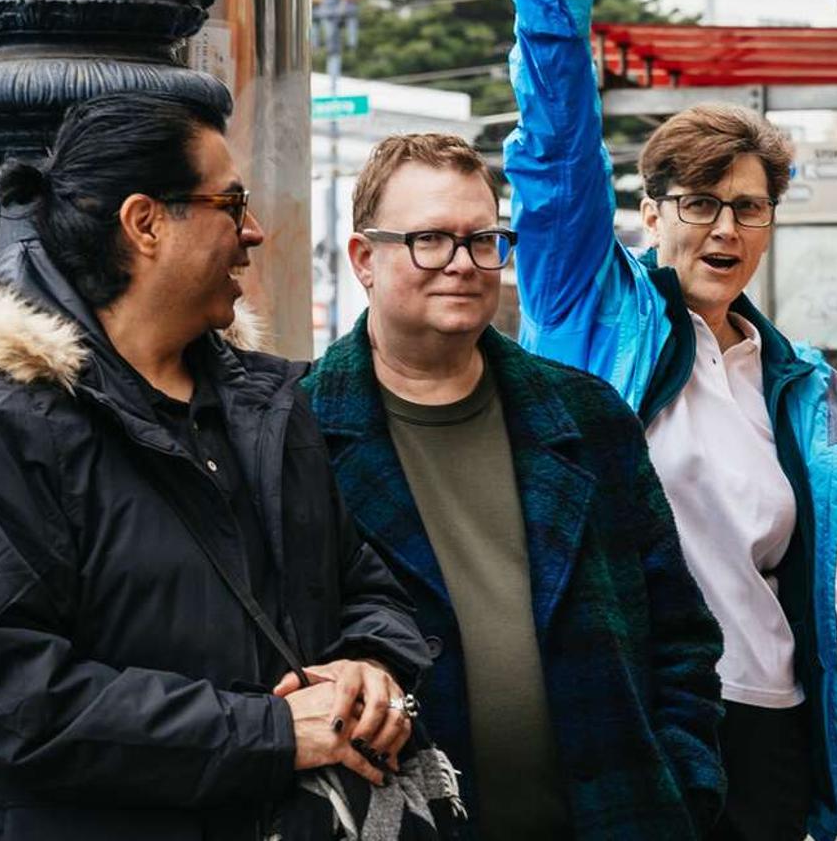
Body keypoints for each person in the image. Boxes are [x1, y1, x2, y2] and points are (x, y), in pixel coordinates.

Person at [0, 93, 432, 839]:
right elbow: (12, 699)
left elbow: (361, 584)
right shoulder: (5, 433)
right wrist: (274, 732)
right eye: (232, 202)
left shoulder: (266, 406)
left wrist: (372, 670)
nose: (254, 230)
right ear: (145, 222)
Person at [503, 0, 837, 840]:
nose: (724, 227)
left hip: (770, 719)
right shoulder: (592, 308)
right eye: (698, 203)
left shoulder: (789, 376)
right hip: (639, 709)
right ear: (648, 213)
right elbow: (555, 152)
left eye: (747, 206)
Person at [302, 133, 725, 839]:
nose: (464, 264)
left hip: (612, 817)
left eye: (484, 239)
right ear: (363, 259)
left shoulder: (585, 417)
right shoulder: (300, 434)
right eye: (431, 239)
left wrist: (686, 782)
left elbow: (680, 633)